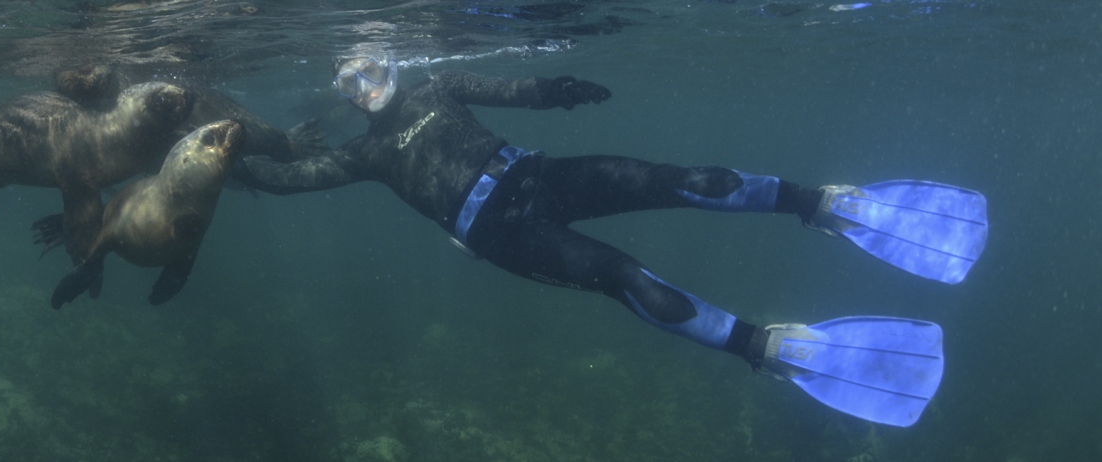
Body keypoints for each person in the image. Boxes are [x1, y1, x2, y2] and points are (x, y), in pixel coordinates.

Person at [237, 55, 988, 426]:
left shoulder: (438, 87)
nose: (364, 85)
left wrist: (552, 90)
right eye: (350, 83)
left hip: (541, 175)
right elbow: (285, 181)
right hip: (503, 233)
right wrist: (224, 152)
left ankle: (819, 205)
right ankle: (769, 350)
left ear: (394, 61)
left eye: (369, 68)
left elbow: (509, 90)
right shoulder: (366, 154)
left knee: (680, 178)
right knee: (629, 277)